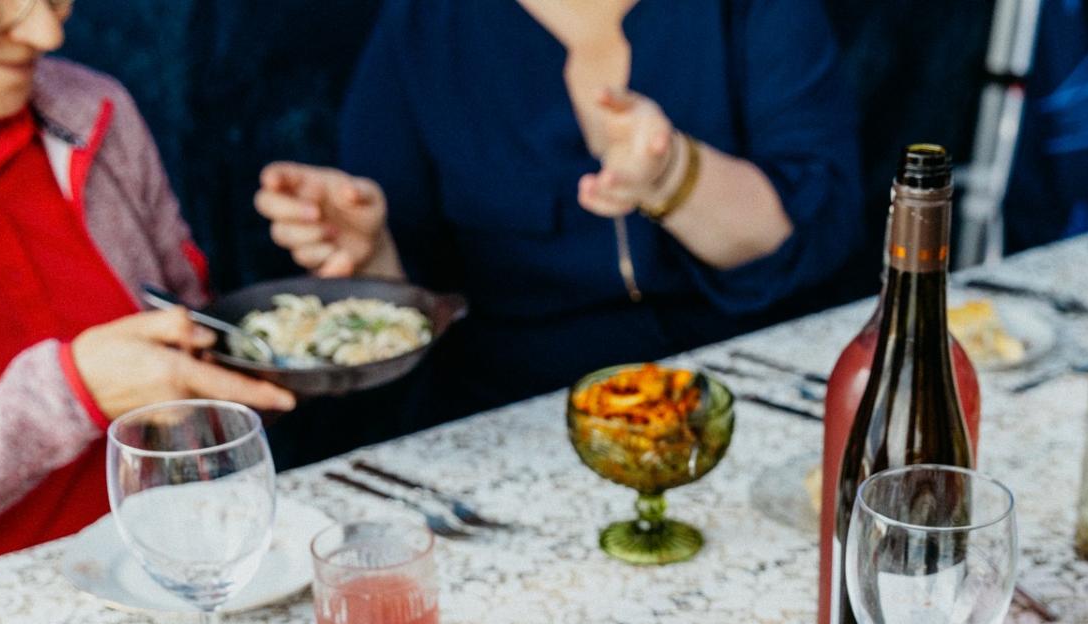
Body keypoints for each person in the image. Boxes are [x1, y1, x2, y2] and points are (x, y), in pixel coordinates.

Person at [0, 0, 293, 607]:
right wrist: (69, 395)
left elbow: (201, 385)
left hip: (169, 593)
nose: (48, 30)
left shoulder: (93, 111)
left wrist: (327, 312)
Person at [255, 0, 860, 423]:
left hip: (744, 389)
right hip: (517, 415)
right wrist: (367, 248)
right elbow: (416, 289)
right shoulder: (422, 24)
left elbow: (815, 228)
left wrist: (671, 173)